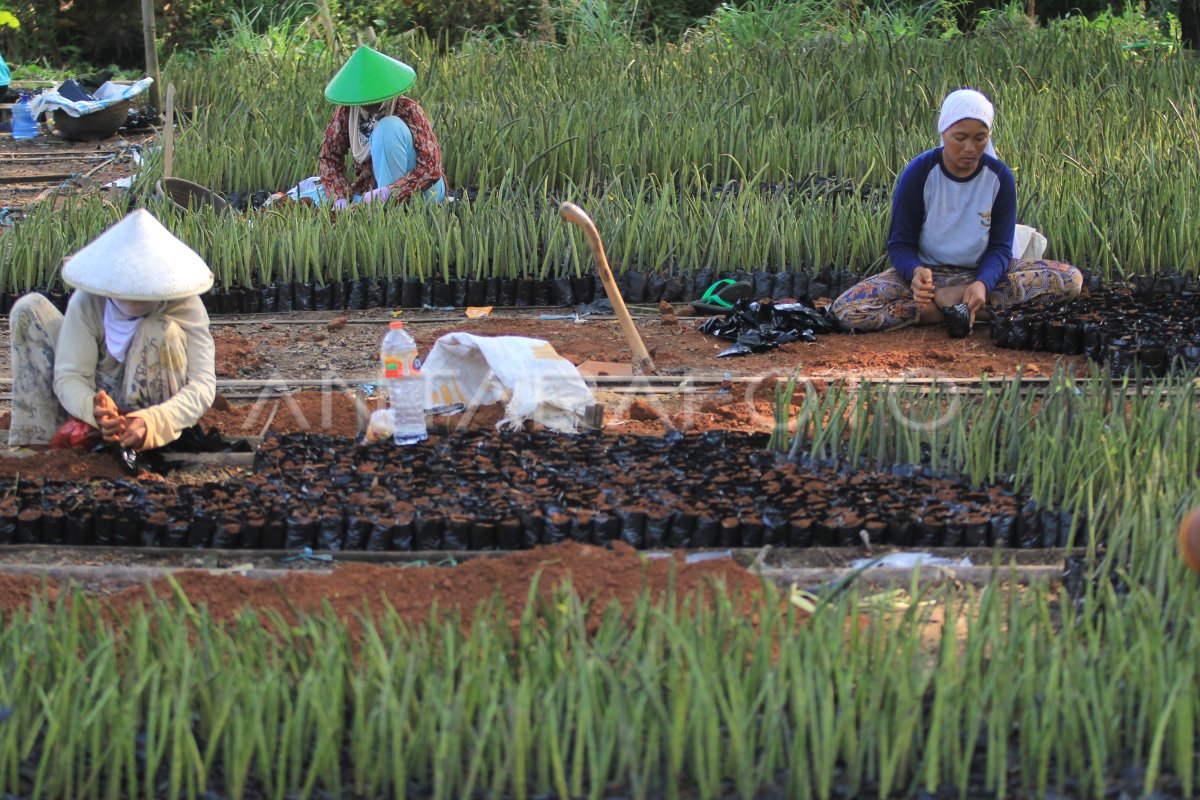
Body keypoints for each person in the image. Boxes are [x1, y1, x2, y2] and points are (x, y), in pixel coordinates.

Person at [831, 89, 1082, 333]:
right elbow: (900, 243)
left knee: (1069, 280)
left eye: (980, 138)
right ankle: (966, 310)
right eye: (960, 138)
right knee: (848, 310)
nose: (970, 148)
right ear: (944, 132)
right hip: (930, 277)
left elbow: (1000, 248)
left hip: (981, 273)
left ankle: (953, 306)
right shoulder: (919, 173)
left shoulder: (999, 178)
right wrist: (916, 273)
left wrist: (983, 284)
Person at [7, 209, 216, 450]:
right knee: (29, 308)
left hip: (151, 414)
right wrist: (92, 409)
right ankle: (40, 448)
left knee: (159, 330)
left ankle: (137, 444)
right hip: (99, 396)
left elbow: (202, 386)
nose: (132, 302)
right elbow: (70, 377)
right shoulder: (89, 300)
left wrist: (151, 421)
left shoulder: (185, 305)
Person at [312, 45, 446, 208]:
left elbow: (431, 167)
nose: (368, 102)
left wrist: (389, 192)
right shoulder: (348, 111)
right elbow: (329, 157)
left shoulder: (407, 109)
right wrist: (340, 197)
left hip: (423, 193)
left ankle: (389, 209)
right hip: (371, 192)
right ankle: (381, 210)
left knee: (387, 127)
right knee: (313, 195)